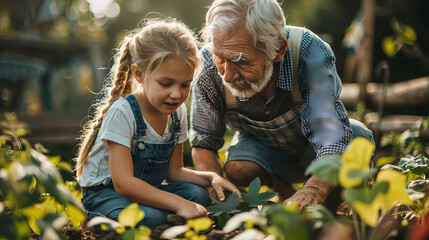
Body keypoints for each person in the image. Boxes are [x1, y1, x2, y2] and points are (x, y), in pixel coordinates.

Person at [190, 0, 374, 210]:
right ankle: (288, 197)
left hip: (315, 151)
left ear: (278, 49)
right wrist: (222, 202)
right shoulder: (207, 67)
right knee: (237, 167)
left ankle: (326, 210)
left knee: (355, 138)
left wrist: (314, 189)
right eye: (220, 58)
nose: (228, 76)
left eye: (241, 61)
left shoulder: (308, 52)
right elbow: (204, 142)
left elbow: (331, 138)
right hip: (266, 153)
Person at [75, 19, 239, 229]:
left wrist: (211, 178)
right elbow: (123, 184)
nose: (176, 94)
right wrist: (179, 204)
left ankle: (166, 217)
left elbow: (175, 172)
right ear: (139, 74)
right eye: (165, 83)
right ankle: (94, 217)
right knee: (151, 218)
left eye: (185, 85)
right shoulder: (123, 113)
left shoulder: (176, 112)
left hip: (145, 192)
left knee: (197, 194)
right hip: (107, 193)